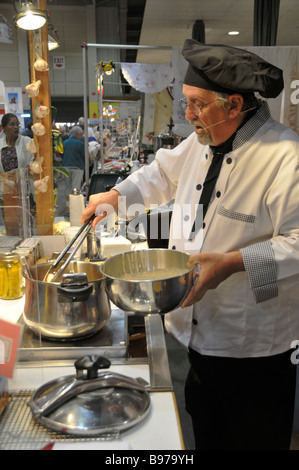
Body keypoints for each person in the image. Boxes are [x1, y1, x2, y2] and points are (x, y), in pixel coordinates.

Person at [81, 40, 299, 450]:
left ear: (234, 105)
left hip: (254, 346)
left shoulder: (286, 156)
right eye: (186, 103)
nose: (188, 115)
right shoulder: (201, 142)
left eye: (198, 104)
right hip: (197, 337)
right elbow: (159, 174)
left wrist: (233, 263)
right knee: (206, 433)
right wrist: (116, 196)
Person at [63, 125, 86, 198]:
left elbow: (61, 154)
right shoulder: (80, 144)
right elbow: (84, 155)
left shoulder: (65, 142)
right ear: (78, 134)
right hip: (77, 167)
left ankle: (67, 203)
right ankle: (74, 204)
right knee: (75, 187)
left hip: (66, 167)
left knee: (68, 187)